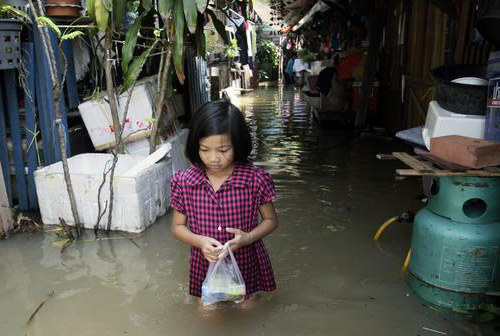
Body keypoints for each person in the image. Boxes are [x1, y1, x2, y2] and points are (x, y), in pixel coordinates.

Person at [170, 100, 278, 305]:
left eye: (223, 150)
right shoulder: (184, 181)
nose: (213, 158)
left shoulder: (254, 179)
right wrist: (200, 242)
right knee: (206, 310)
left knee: (248, 308)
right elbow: (177, 227)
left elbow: (271, 220)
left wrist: (248, 238)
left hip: (245, 261)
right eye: (204, 149)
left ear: (238, 144)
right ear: (195, 146)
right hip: (205, 262)